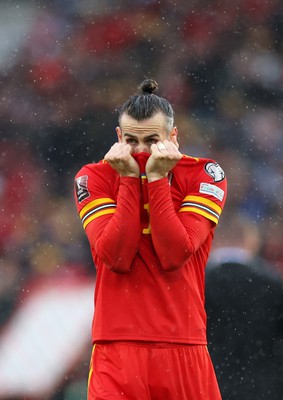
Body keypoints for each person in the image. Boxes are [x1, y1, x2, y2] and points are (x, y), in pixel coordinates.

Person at [74, 79, 227, 400]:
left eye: (151, 141)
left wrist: (156, 179)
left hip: (183, 345)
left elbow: (175, 252)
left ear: (173, 137)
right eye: (131, 140)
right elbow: (115, 257)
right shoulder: (93, 176)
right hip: (116, 348)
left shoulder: (205, 174)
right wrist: (130, 180)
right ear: (118, 137)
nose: (141, 151)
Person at [205, 213, 283, 400]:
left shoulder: (196, 284)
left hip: (208, 385)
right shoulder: (273, 284)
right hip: (264, 388)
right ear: (252, 241)